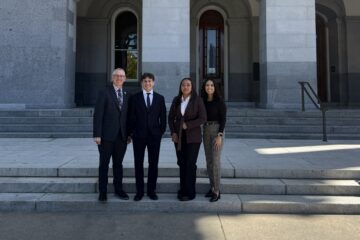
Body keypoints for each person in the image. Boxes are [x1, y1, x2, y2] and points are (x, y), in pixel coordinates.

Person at [93, 68, 130, 202]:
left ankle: (118, 189)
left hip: (122, 137)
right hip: (106, 137)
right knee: (104, 164)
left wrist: (129, 134)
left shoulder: (127, 93)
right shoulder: (104, 93)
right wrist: (97, 134)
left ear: (125, 79)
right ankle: (103, 192)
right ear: (112, 78)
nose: (119, 78)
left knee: (118, 164)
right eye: (117, 76)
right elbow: (98, 115)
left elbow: (127, 116)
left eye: (122, 76)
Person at [128, 73, 167, 201]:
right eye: (145, 81)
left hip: (154, 137)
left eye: (150, 81)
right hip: (138, 136)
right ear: (141, 83)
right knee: (138, 163)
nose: (147, 83)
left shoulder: (160, 98)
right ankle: (139, 192)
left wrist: (160, 132)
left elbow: (163, 118)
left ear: (153, 82)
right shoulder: (134, 98)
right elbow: (131, 117)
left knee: (153, 164)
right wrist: (132, 132)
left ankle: (151, 191)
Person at [168, 78, 207, 201]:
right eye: (183, 85)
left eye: (188, 85)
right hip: (178, 137)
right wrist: (173, 132)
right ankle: (182, 190)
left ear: (192, 87)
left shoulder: (197, 100)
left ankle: (190, 192)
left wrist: (188, 125)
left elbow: (203, 118)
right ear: (181, 87)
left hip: (193, 138)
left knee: (190, 164)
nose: (185, 87)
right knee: (182, 163)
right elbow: (170, 118)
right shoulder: (176, 100)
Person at [200, 79, 227, 202]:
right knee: (209, 161)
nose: (209, 87)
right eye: (207, 85)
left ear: (215, 87)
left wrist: (220, 135)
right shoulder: (202, 101)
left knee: (215, 161)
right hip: (206, 130)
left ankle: (217, 190)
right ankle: (212, 188)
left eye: (211, 85)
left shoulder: (219, 101)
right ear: (204, 87)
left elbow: (223, 119)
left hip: (217, 131)